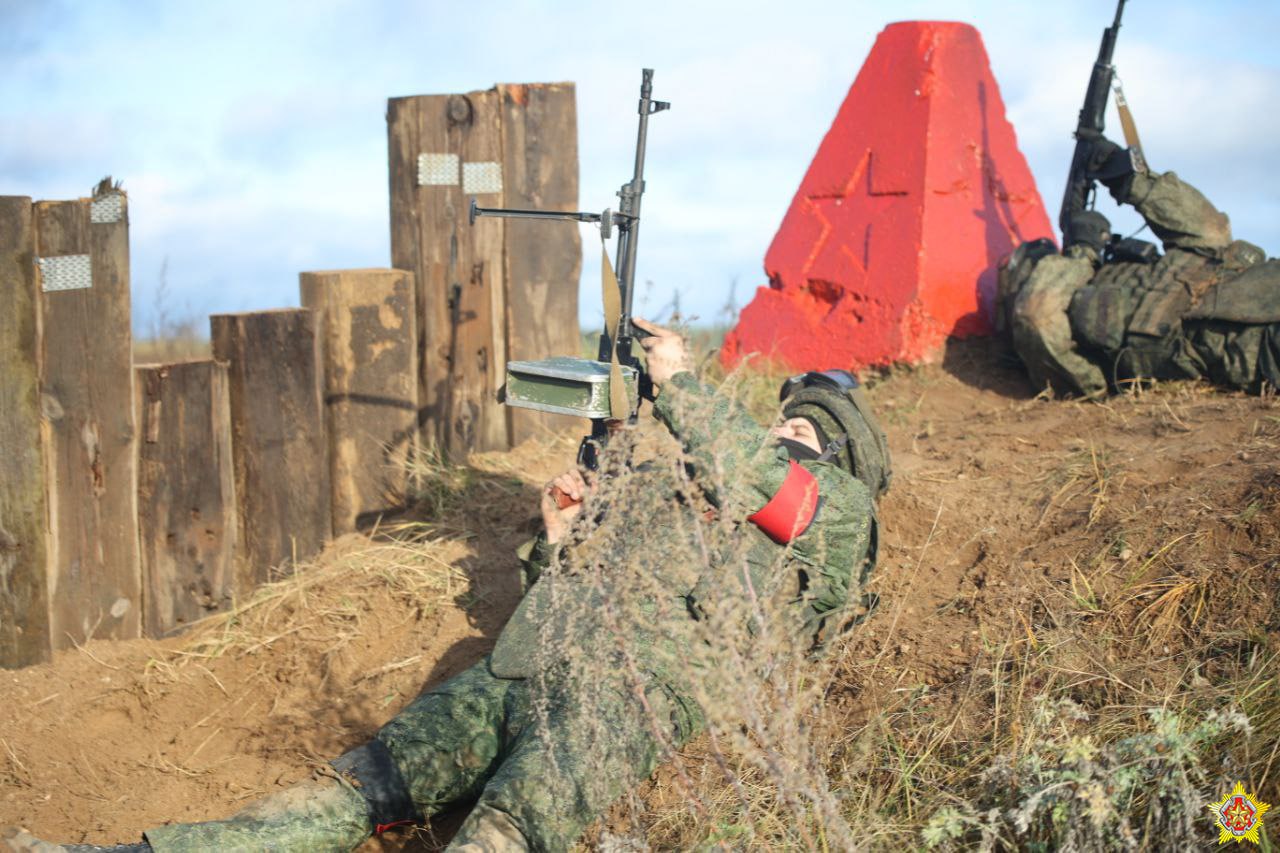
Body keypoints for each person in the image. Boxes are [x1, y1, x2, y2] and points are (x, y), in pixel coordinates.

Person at [5, 319, 890, 853]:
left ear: (833, 448)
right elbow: (580, 579)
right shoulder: (687, 480)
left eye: (803, 424)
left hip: (631, 698)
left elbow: (763, 485)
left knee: (502, 832)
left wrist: (684, 387)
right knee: (354, 788)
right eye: (783, 415)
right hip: (522, 665)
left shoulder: (837, 511)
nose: (784, 426)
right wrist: (558, 540)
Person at [998, 135, 1280, 397]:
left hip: (1231, 294)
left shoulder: (1059, 300)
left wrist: (1125, 177)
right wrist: (1082, 255)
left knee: (1213, 233)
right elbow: (1038, 318)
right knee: (1213, 235)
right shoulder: (1045, 327)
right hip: (1238, 347)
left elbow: (1209, 231)